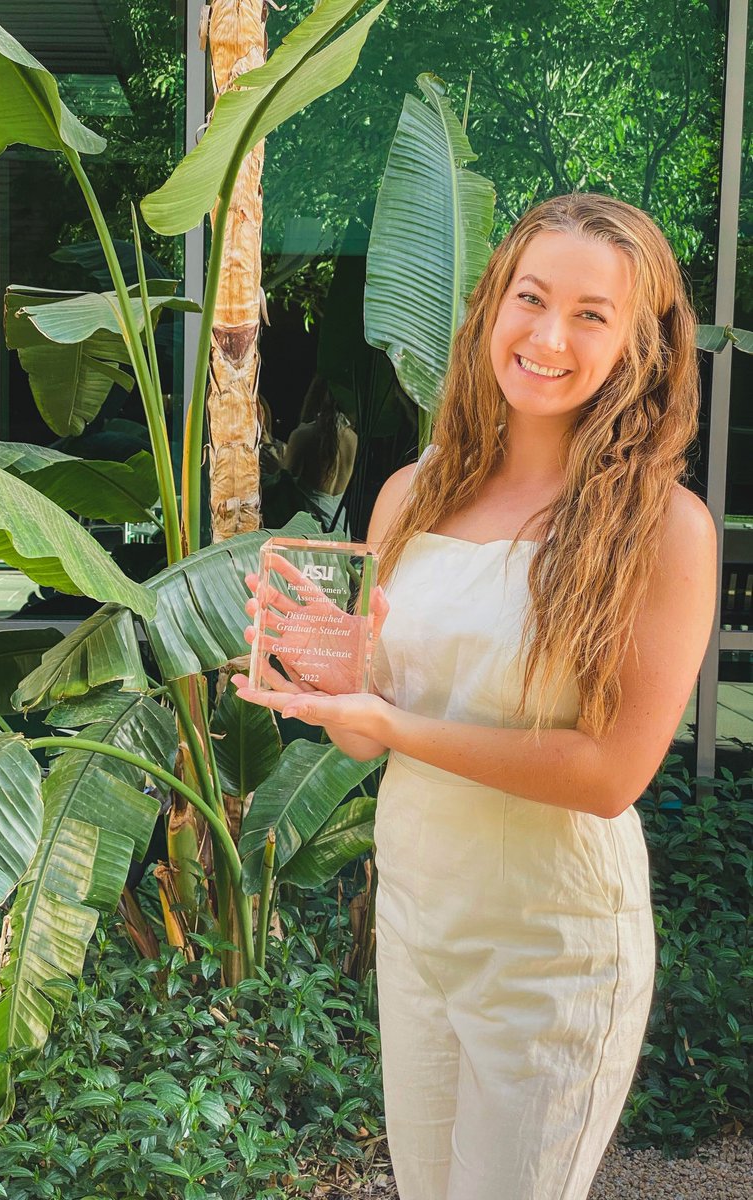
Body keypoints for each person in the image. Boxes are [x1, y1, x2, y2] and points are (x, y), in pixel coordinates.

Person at [231, 192, 717, 1199]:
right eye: (530, 298)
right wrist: (326, 680)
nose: (548, 336)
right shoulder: (414, 491)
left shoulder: (663, 530)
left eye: (592, 314)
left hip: (554, 950)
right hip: (419, 922)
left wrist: (395, 722)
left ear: (641, 344)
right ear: (491, 306)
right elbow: (374, 728)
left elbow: (609, 774)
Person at [282, 375, 358, 533]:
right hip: (340, 525)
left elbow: (285, 484)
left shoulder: (303, 434)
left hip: (311, 526)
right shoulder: (352, 438)